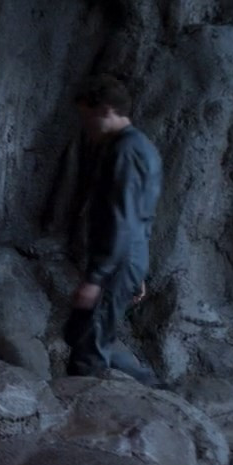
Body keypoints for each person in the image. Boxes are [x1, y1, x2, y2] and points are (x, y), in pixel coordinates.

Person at [61, 74, 162, 386]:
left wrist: (96, 278)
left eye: (87, 116)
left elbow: (122, 219)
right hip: (129, 258)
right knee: (81, 332)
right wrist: (137, 269)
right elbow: (141, 217)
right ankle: (152, 386)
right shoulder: (142, 146)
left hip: (118, 261)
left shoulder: (124, 151)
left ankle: (152, 391)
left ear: (106, 110)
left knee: (87, 352)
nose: (85, 125)